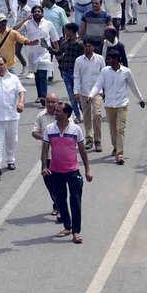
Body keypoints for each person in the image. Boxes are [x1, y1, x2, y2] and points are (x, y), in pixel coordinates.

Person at [42, 102, 93, 244]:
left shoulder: (76, 130)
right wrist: (44, 166)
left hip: (72, 171)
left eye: (58, 111)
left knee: (75, 201)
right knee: (60, 201)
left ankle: (76, 232)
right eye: (55, 110)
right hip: (55, 171)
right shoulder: (49, 129)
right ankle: (67, 226)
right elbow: (45, 149)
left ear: (66, 114)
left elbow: (82, 150)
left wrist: (88, 169)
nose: (55, 112)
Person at [88, 51, 145, 165]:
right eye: (109, 60)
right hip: (109, 105)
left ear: (118, 60)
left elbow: (133, 86)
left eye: (112, 60)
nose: (110, 62)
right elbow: (98, 84)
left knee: (120, 129)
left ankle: (119, 154)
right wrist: (91, 95)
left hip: (122, 105)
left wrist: (140, 99)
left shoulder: (126, 72)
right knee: (113, 130)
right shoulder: (105, 72)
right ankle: (115, 146)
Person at [19, 5, 59, 106]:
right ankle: (40, 95)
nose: (37, 13)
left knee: (43, 74)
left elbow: (54, 38)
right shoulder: (27, 24)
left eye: (39, 11)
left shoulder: (48, 24)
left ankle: (44, 97)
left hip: (45, 53)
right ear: (32, 13)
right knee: (37, 75)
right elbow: (17, 31)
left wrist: (57, 50)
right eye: (35, 11)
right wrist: (25, 20)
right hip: (32, 53)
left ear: (42, 13)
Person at [32, 94, 60, 218]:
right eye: (48, 102)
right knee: (49, 183)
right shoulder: (41, 116)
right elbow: (34, 132)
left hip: (61, 157)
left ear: (58, 102)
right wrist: (44, 137)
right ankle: (56, 203)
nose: (50, 104)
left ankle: (59, 207)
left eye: (53, 102)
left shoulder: (63, 115)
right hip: (47, 156)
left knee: (59, 183)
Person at [52, 23, 84, 123]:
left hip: (76, 74)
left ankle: (85, 113)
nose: (65, 32)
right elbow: (59, 53)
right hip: (66, 73)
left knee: (78, 96)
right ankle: (78, 116)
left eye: (66, 30)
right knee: (71, 97)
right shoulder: (64, 42)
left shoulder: (80, 44)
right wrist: (49, 48)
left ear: (71, 31)